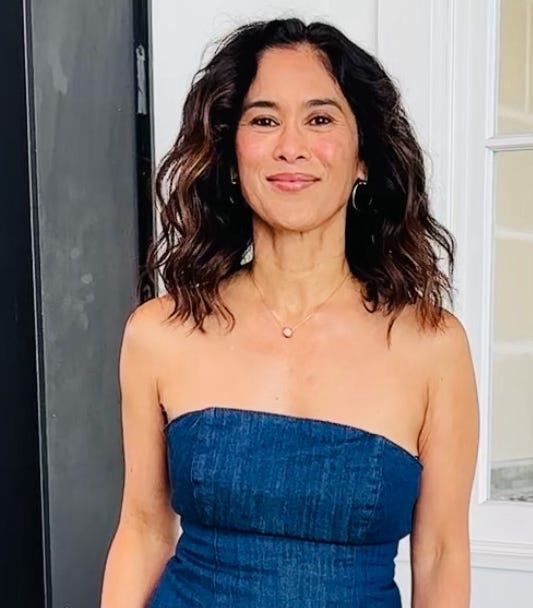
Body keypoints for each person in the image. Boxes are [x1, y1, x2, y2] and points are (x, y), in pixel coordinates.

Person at [100, 17, 479, 608]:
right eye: (264, 120)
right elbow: (144, 529)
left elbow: (441, 553)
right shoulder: (159, 332)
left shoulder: (432, 345)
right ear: (231, 155)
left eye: (320, 119)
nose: (291, 146)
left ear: (364, 157)